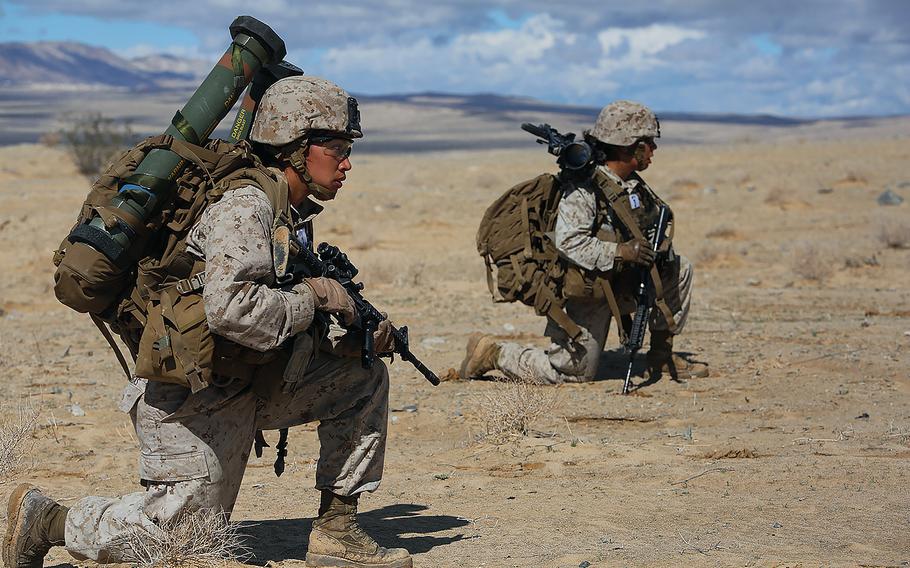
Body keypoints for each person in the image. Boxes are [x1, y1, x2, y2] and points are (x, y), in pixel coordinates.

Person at [4, 76, 412, 568]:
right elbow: (233, 310)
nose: (347, 163)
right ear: (296, 149)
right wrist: (315, 295)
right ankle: (47, 519)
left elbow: (280, 303)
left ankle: (338, 532)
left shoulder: (290, 211)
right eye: (337, 148)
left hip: (246, 378)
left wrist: (351, 330)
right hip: (190, 394)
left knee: (361, 376)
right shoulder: (247, 207)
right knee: (180, 539)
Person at [461, 100, 708, 386]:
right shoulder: (584, 189)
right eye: (648, 142)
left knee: (679, 269)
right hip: (589, 289)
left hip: (620, 280)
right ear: (629, 146)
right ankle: (493, 352)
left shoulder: (631, 185)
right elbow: (570, 241)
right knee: (570, 373)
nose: (654, 150)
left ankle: (661, 355)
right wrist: (620, 251)